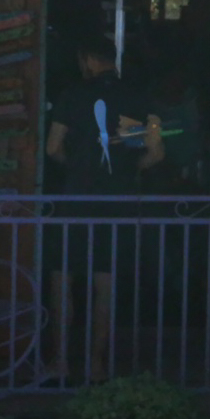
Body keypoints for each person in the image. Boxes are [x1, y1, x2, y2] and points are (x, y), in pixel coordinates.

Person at [43, 36, 160, 376]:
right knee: (104, 284)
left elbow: (52, 148)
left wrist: (78, 168)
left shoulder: (72, 95)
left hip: (76, 198)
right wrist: (127, 170)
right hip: (117, 199)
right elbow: (156, 153)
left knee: (62, 279)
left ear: (88, 60)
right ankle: (96, 364)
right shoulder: (138, 98)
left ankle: (61, 361)